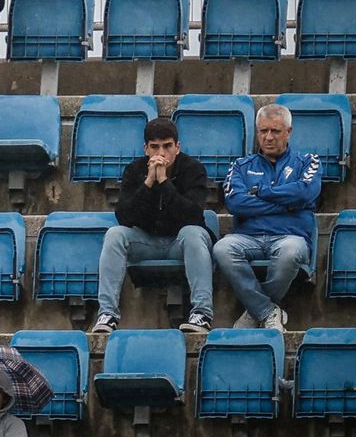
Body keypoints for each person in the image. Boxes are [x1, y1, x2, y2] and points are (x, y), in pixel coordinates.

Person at [92, 117, 215, 336]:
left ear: (177, 147)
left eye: (167, 146)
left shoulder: (193, 169)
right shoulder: (134, 170)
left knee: (193, 233)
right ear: (146, 149)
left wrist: (164, 183)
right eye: (155, 147)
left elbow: (192, 215)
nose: (161, 153)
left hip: (182, 241)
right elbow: (125, 217)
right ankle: (107, 314)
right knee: (115, 234)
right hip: (147, 241)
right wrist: (148, 183)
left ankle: (202, 314)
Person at [210, 103, 321, 332]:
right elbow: (235, 203)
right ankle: (268, 311)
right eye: (263, 131)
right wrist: (287, 205)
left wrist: (263, 192)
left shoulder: (308, 161)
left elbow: (306, 192)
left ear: (288, 132)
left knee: (290, 252)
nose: (268, 137)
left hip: (290, 237)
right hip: (248, 237)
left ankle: (254, 312)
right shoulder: (240, 166)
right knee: (222, 248)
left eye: (275, 131)